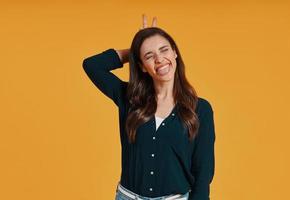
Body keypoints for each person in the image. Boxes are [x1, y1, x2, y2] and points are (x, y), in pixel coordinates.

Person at [82, 14, 216, 200]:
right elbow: (92, 65)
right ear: (143, 66)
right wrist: (134, 51)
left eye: (164, 50)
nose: (159, 59)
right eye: (149, 56)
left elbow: (203, 172)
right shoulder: (130, 99)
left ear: (175, 53)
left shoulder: (201, 109)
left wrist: (146, 50)